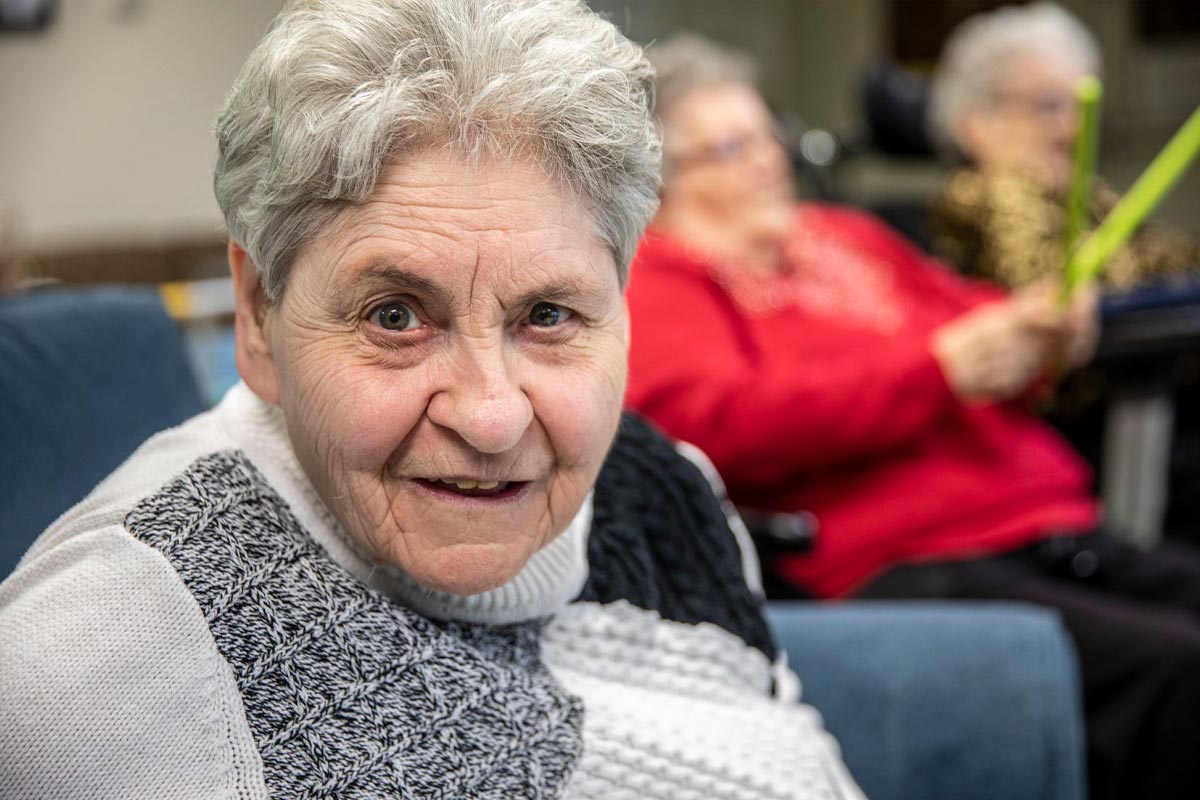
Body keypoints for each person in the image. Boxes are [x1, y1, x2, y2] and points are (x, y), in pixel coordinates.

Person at [0, 3, 865, 798]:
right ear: (260, 316)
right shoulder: (113, 660)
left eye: (549, 314)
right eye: (395, 316)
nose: (490, 418)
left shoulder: (662, 488)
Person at [626, 32, 1200, 800]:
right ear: (660, 181)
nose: (768, 162)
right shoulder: (661, 278)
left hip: (1045, 525)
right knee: (1178, 670)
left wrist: (1035, 334)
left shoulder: (844, 236)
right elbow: (717, 426)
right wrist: (940, 372)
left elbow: (975, 323)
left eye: (769, 137)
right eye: (730, 149)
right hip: (913, 562)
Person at [926, 2, 1200, 290]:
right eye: (1049, 106)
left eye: (1084, 110)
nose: (1073, 129)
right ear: (977, 122)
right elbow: (1048, 284)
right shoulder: (979, 194)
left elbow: (1166, 255)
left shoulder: (1086, 196)